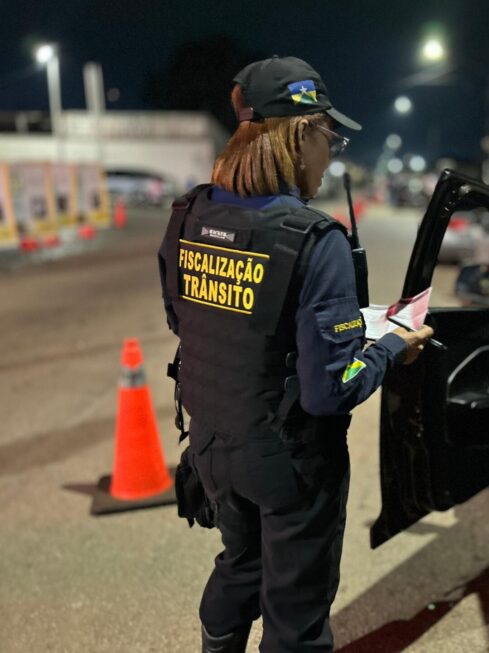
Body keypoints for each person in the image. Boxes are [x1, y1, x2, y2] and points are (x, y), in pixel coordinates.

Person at [158, 55, 434, 653]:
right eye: (329, 135)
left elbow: (185, 320)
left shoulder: (187, 216)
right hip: (289, 462)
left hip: (210, 444)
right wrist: (390, 344)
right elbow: (330, 389)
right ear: (301, 131)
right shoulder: (313, 238)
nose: (331, 150)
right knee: (295, 613)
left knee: (241, 562)